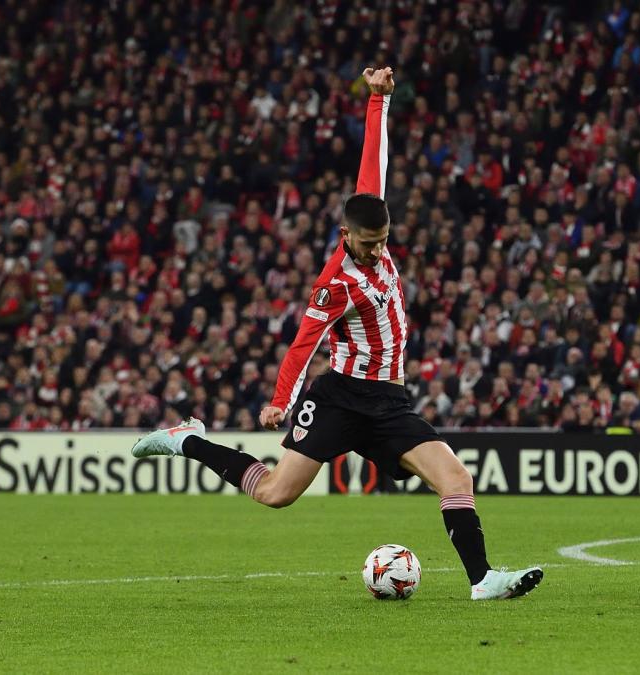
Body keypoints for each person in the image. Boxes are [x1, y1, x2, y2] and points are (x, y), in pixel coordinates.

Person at [131, 67, 543, 600]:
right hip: (341, 399)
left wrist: (378, 102)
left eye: (384, 241)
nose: (378, 250)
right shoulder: (334, 284)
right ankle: (187, 440)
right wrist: (281, 400)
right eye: (369, 243)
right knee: (277, 494)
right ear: (344, 234)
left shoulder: (372, 227)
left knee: (456, 479)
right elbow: (303, 343)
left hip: (389, 402)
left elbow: (374, 165)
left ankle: (483, 580)